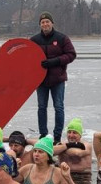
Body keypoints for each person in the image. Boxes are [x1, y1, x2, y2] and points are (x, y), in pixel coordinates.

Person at [30, 12, 76, 142]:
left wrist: (55, 61)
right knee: (41, 107)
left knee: (59, 107)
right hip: (41, 81)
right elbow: (26, 57)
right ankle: (43, 135)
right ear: (40, 25)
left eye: (47, 22)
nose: (45, 24)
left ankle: (57, 136)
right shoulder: (34, 40)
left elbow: (71, 54)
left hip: (57, 79)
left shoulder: (62, 38)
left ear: (52, 23)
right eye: (43, 22)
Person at [15, 137, 83, 184]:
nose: (36, 154)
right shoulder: (26, 169)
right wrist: (13, 170)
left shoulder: (57, 173)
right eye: (35, 151)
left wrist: (68, 178)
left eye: (40, 152)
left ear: (48, 156)